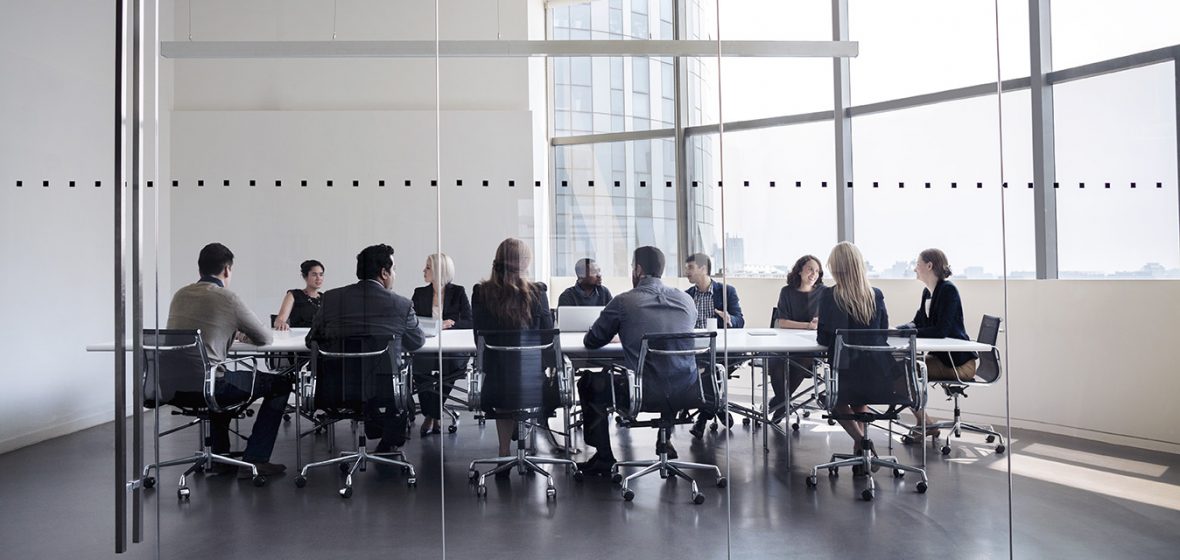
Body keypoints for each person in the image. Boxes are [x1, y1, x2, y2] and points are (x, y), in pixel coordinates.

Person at [166, 242, 290, 478]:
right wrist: (241, 331)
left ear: (200, 268)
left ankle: (220, 456)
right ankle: (256, 459)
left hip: (173, 384)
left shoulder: (180, 294)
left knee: (216, 379)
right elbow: (264, 338)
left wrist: (230, 331)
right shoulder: (227, 297)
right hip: (210, 384)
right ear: (226, 270)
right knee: (280, 385)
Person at [578, 246, 698, 475]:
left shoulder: (624, 302)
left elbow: (592, 341)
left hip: (643, 391)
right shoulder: (686, 300)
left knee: (589, 382)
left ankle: (604, 457)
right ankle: (664, 438)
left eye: (633, 267)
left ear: (639, 270)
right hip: (687, 390)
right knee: (670, 369)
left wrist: (622, 332)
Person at [306, 244, 425, 454]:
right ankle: (388, 444)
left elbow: (312, 340)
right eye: (394, 269)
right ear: (384, 273)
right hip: (384, 391)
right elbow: (416, 342)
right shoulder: (401, 304)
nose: (394, 274)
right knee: (397, 377)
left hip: (336, 388)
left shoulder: (332, 299)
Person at [471, 238, 554, 460]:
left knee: (505, 387)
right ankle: (524, 442)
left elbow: (478, 340)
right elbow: (548, 337)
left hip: (495, 383)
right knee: (521, 385)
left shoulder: (481, 292)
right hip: (533, 384)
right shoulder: (538, 293)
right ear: (526, 263)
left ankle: (504, 449)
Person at [816, 242, 890, 461]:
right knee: (859, 398)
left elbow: (823, 338)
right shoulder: (875, 295)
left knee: (835, 400)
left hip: (845, 370)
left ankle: (861, 442)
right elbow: (883, 334)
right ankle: (862, 455)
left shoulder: (830, 295)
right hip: (877, 372)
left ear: (837, 268)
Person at [898, 248, 978, 442]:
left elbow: (941, 330)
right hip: (943, 359)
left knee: (903, 371)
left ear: (929, 265)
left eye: (917, 264)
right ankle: (925, 423)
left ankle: (925, 424)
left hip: (959, 364)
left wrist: (907, 332)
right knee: (900, 366)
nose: (915, 269)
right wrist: (895, 330)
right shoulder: (928, 292)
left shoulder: (948, 290)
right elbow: (916, 322)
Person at [411, 253, 472, 436]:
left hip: (451, 348)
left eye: (428, 267)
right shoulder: (419, 293)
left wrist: (450, 324)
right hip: (426, 346)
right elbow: (412, 321)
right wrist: (437, 325)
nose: (424, 270)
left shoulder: (458, 292)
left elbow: (469, 321)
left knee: (449, 365)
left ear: (439, 271)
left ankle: (431, 416)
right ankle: (435, 415)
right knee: (419, 368)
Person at [683, 253, 743, 438]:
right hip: (696, 349)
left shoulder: (726, 291)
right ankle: (719, 407)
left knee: (710, 369)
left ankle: (703, 417)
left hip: (721, 349)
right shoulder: (687, 296)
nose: (687, 272)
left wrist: (729, 319)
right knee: (710, 370)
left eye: (690, 268)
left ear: (703, 269)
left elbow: (740, 321)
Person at [766, 255, 826, 422]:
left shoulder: (824, 292)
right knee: (775, 362)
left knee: (803, 360)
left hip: (810, 345)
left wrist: (819, 322)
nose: (814, 274)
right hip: (785, 343)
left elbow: (826, 319)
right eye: (810, 269)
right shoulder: (787, 292)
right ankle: (783, 403)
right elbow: (782, 322)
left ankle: (779, 403)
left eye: (817, 271)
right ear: (800, 271)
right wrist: (808, 325)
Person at [273, 259, 324, 330]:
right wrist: (281, 323)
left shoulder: (325, 298)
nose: (319, 278)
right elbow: (280, 320)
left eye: (321, 274)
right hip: (298, 337)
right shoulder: (294, 295)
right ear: (305, 276)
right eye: (314, 274)